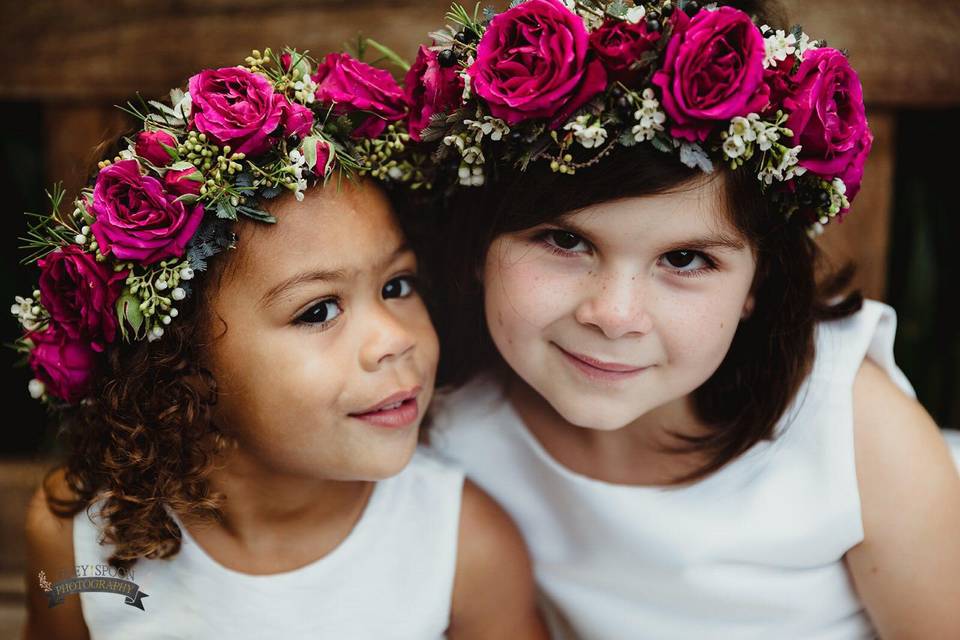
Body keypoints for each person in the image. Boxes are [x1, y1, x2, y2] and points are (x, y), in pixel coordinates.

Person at [415, 1, 960, 637]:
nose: (614, 317)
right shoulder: (451, 419)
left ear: (760, 279)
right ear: (480, 243)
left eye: (684, 258)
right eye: (564, 242)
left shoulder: (852, 434)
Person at [18, 48, 547, 640]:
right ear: (179, 364)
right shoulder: (78, 535)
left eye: (397, 284)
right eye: (318, 310)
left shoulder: (463, 546)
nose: (395, 339)